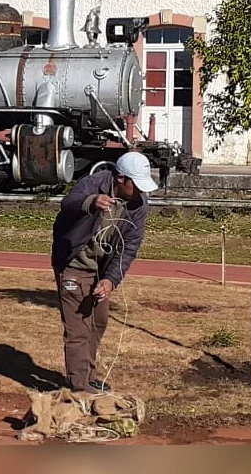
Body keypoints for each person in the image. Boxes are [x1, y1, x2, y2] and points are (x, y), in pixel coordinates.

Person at [50, 151, 155, 394]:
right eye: (137, 184)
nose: (140, 191)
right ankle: (80, 387)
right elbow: (68, 204)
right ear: (121, 178)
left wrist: (110, 280)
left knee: (98, 321)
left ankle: (89, 376)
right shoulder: (93, 183)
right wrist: (90, 202)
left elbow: (129, 247)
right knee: (78, 328)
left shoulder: (138, 204)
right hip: (73, 265)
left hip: (101, 269)